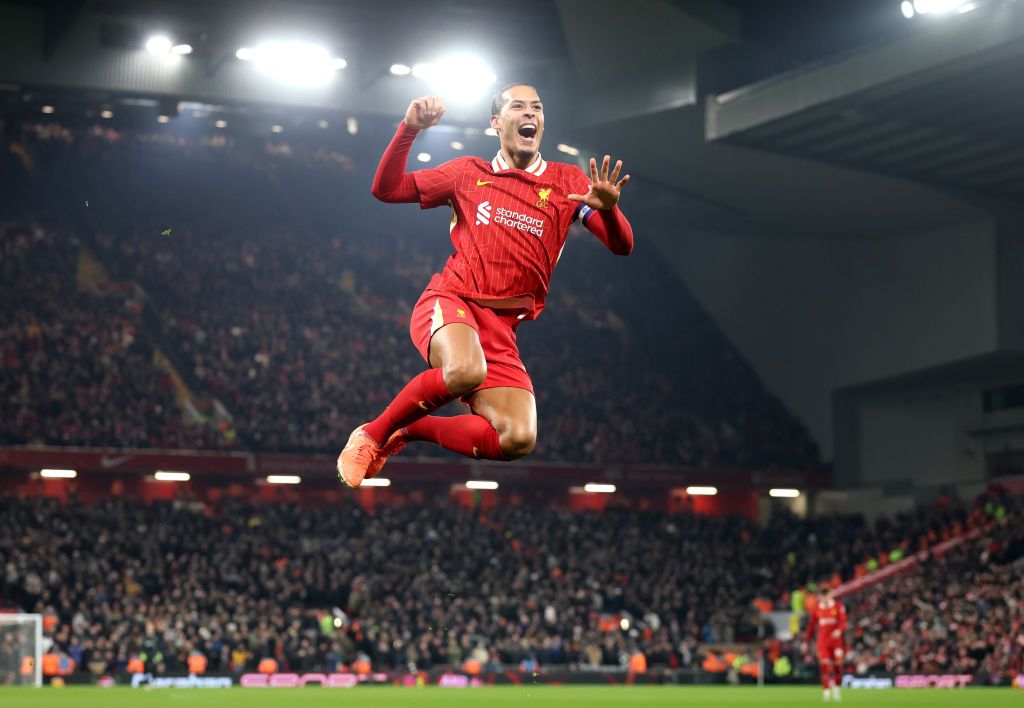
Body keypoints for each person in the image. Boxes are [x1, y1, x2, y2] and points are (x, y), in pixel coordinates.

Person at [337, 83, 634, 486]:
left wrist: (611, 210)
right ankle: (371, 434)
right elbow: (386, 190)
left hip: (502, 328)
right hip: (452, 300)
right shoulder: (466, 174)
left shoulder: (568, 182)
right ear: (497, 123)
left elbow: (622, 246)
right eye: (518, 107)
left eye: (538, 108)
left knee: (518, 438)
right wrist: (409, 128)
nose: (530, 114)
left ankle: (405, 431)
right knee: (464, 370)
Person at [802, 586, 847, 702]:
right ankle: (826, 692)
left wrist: (839, 630)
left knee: (837, 667)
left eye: (825, 594)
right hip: (823, 642)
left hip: (836, 643)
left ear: (829, 594)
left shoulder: (838, 607)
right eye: (822, 595)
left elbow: (843, 622)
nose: (823, 597)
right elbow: (811, 627)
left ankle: (837, 690)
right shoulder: (817, 608)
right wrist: (806, 642)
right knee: (824, 667)